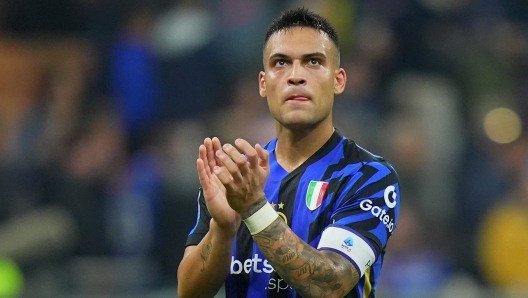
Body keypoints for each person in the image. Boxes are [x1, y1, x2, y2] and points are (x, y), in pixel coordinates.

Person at [177, 7, 400, 298]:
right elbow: (189, 293)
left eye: (313, 62)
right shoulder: (236, 178)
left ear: (338, 80)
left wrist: (254, 210)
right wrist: (223, 228)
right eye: (281, 62)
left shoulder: (368, 177)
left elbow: (330, 285)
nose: (296, 76)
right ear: (263, 83)